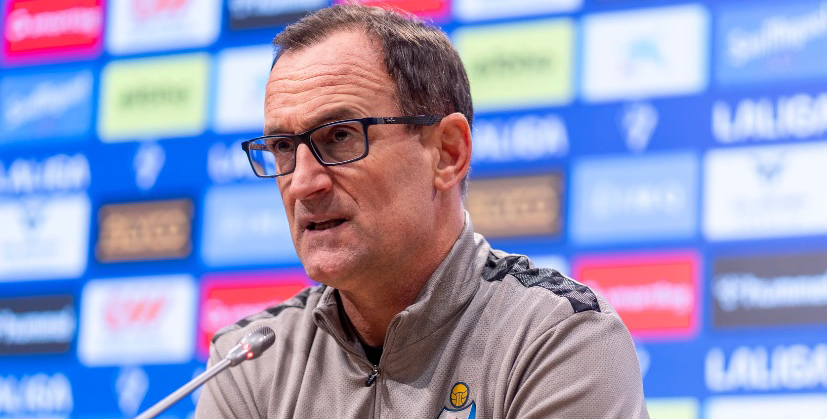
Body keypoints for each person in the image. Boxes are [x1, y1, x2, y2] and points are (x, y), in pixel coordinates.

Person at [195, 5, 649, 419]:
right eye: (282, 148)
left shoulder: (557, 339)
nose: (302, 182)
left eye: (340, 137)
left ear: (447, 154)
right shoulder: (249, 362)